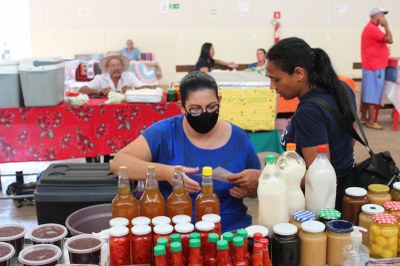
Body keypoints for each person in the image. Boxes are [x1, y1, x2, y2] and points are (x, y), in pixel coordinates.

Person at [110, 71, 261, 232]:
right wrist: (167, 173)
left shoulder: (239, 138)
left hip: (230, 231)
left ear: (220, 101)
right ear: (182, 107)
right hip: (176, 232)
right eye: (195, 109)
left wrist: (254, 187)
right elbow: (119, 163)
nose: (205, 114)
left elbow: (257, 186)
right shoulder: (166, 133)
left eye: (212, 107)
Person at [227, 37, 356, 209]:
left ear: (298, 73)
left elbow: (315, 176)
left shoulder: (309, 112)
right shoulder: (341, 88)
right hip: (344, 184)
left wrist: (266, 178)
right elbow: (352, 133)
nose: (272, 87)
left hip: (319, 204)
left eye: (276, 79)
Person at [360, 7, 393, 130]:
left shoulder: (370, 29)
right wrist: (386, 26)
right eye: (382, 16)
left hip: (371, 64)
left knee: (367, 92)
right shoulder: (373, 29)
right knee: (372, 94)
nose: (384, 19)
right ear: (376, 16)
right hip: (374, 66)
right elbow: (390, 39)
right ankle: (371, 121)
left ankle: (364, 118)